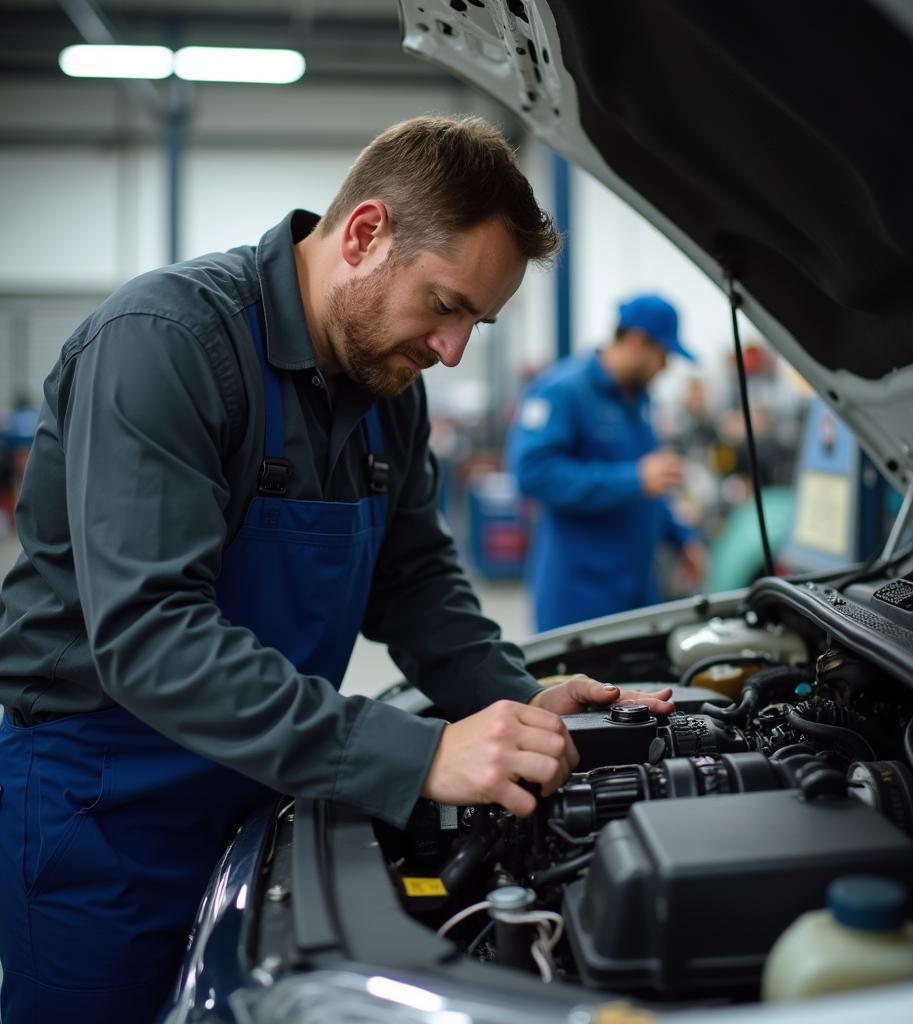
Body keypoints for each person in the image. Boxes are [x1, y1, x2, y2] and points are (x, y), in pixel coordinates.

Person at [0, 116, 673, 1024]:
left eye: (477, 320)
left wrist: (511, 702)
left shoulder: (388, 390)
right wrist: (421, 752)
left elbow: (418, 582)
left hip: (265, 774)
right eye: (445, 303)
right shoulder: (165, 343)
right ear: (364, 234)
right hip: (105, 806)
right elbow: (151, 635)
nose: (453, 349)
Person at [506, 293, 706, 631]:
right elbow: (532, 472)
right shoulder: (563, 391)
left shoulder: (639, 400)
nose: (666, 367)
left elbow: (651, 484)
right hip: (580, 598)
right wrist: (634, 479)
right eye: (664, 355)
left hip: (636, 591)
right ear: (637, 341)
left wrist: (682, 538)